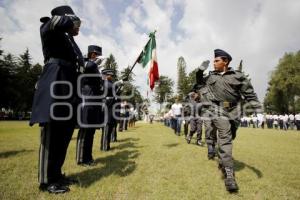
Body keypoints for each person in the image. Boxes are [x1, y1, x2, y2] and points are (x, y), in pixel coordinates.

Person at [30, 5, 83, 193]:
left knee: (64, 133)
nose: (78, 28)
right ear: (68, 17)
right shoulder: (49, 26)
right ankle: (46, 180)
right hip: (55, 83)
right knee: (52, 133)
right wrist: (73, 19)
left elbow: (79, 63)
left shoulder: (68, 39)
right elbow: (58, 22)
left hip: (68, 86)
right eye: (77, 23)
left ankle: (57, 175)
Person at [197, 49, 261, 192]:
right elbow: (199, 84)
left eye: (217, 60)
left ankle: (222, 158)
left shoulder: (238, 76)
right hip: (217, 110)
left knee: (230, 137)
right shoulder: (210, 77)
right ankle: (230, 177)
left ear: (225, 61)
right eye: (213, 61)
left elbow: (250, 94)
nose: (214, 63)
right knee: (225, 139)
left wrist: (258, 110)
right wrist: (199, 71)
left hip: (235, 112)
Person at [76, 45, 104, 166]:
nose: (98, 58)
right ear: (92, 54)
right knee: (85, 129)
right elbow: (85, 68)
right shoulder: (86, 63)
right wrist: (94, 63)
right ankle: (81, 158)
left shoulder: (95, 67)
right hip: (87, 97)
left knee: (91, 131)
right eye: (97, 55)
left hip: (95, 100)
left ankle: (88, 157)